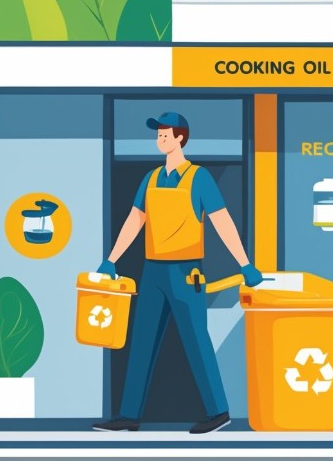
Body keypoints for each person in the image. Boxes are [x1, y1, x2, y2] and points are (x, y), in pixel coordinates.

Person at [92, 112, 264, 435]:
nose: (160, 139)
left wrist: (245, 264)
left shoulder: (199, 178)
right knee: (141, 342)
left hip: (187, 273)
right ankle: (128, 414)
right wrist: (111, 259)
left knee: (197, 341)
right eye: (158, 135)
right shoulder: (151, 178)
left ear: (181, 138)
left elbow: (222, 222)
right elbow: (134, 220)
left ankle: (219, 412)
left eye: (165, 134)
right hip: (153, 270)